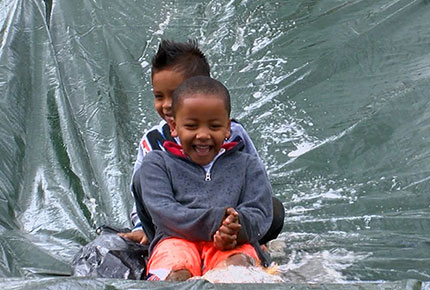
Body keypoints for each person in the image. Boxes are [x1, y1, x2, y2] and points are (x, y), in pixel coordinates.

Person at [120, 39, 284, 248]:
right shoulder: (153, 141)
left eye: (177, 94)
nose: (167, 105)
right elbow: (141, 194)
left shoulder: (234, 134)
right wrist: (140, 227)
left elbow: (257, 182)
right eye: (159, 96)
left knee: (273, 209)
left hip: (226, 220)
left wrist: (239, 226)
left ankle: (246, 243)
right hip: (177, 225)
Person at [132, 76, 273, 281]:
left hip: (231, 244)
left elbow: (260, 212)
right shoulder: (157, 163)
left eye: (214, 127)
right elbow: (163, 212)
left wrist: (233, 229)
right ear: (173, 126)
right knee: (175, 273)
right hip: (175, 240)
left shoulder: (247, 165)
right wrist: (216, 222)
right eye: (191, 126)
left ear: (227, 128)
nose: (203, 135)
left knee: (236, 271)